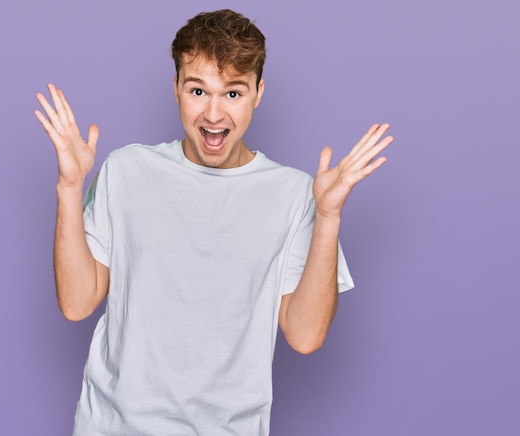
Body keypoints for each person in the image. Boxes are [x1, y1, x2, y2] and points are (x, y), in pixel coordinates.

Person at [34, 9, 392, 436]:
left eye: (234, 94)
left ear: (258, 93)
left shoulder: (296, 195)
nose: (214, 114)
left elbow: (305, 335)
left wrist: (329, 216)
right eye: (198, 90)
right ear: (176, 89)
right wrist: (70, 187)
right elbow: (76, 304)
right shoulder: (127, 170)